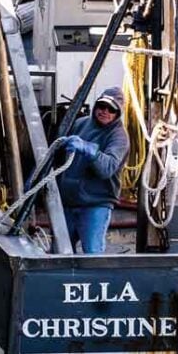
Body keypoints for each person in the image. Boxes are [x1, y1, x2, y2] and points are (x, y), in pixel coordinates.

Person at [56, 86, 129, 254]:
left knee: (92, 254)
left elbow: (107, 169)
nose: (105, 111)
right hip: (68, 203)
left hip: (95, 205)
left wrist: (89, 150)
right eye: (101, 106)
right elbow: (57, 158)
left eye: (111, 109)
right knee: (58, 254)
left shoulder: (119, 137)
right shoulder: (80, 124)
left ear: (118, 113)